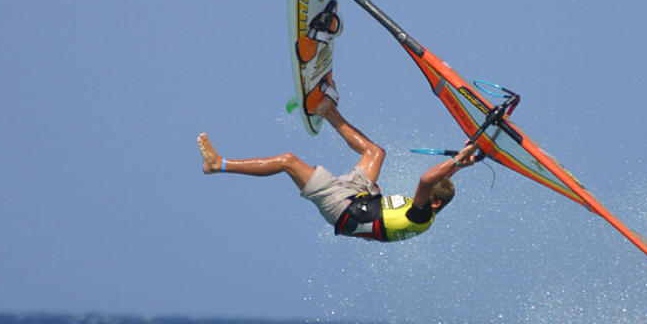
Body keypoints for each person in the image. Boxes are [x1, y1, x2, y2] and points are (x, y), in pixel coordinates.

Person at [197, 87, 480, 242]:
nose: (420, 195)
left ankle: (218, 164)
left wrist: (455, 159)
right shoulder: (429, 205)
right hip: (362, 197)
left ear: (435, 205)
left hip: (344, 209)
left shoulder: (421, 215)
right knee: (376, 152)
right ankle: (326, 109)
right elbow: (435, 183)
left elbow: (426, 180)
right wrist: (463, 164)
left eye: (426, 197)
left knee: (288, 162)